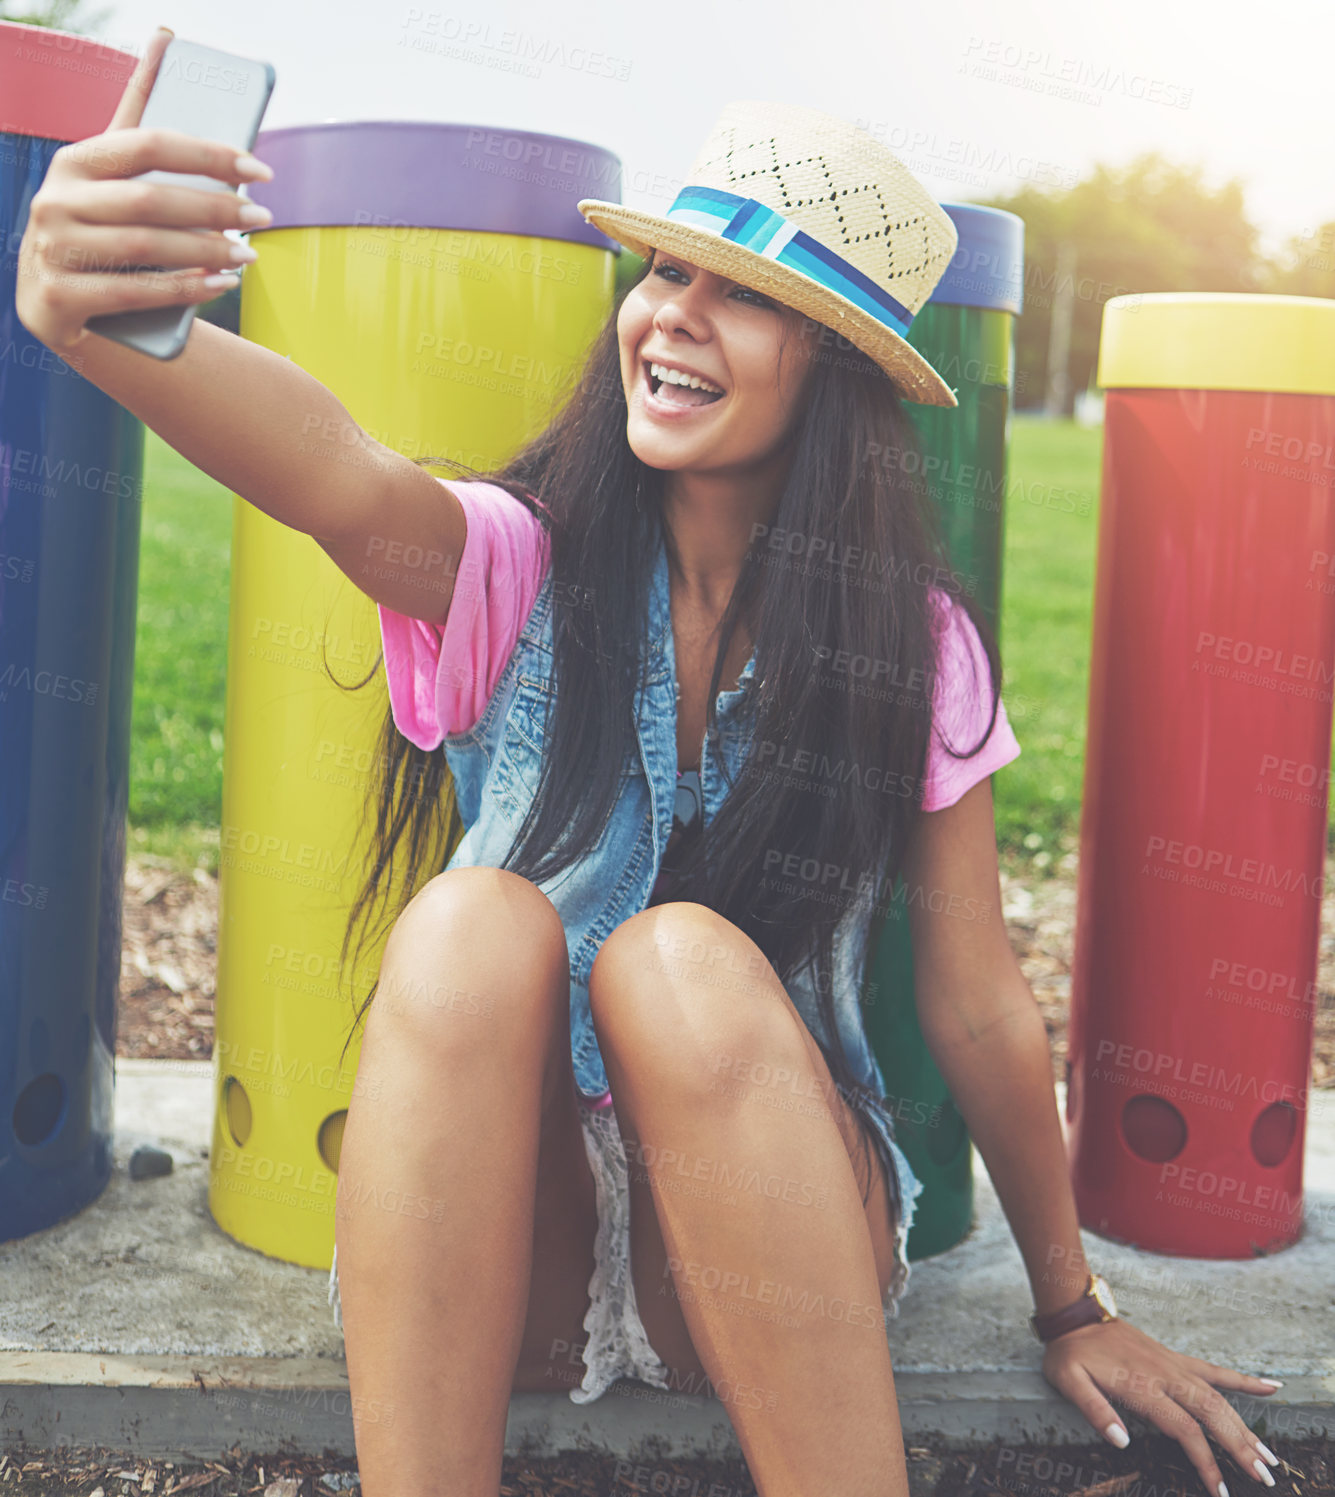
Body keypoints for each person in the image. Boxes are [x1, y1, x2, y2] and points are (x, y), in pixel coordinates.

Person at [15, 31, 1285, 1497]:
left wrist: (1078, 1304)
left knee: (674, 958)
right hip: (526, 1249)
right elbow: (338, 469)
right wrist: (100, 322)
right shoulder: (516, 564)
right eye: (668, 274)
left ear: (836, 368)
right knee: (472, 920)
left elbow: (976, 994)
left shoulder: (910, 644)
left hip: (774, 1234)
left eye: (744, 294)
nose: (674, 316)